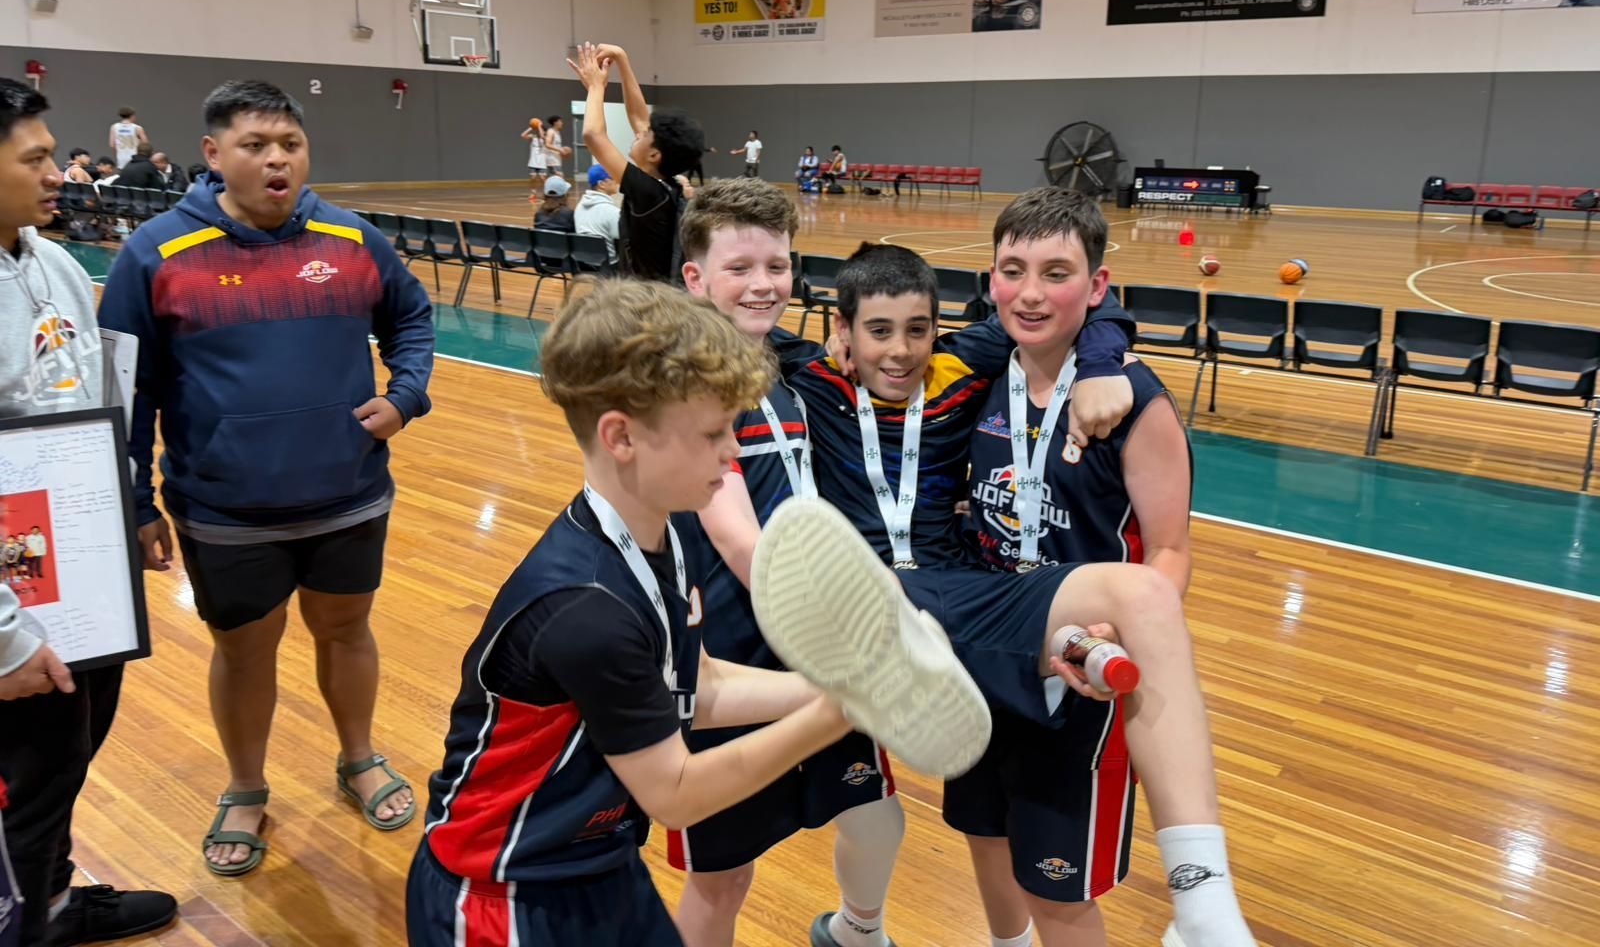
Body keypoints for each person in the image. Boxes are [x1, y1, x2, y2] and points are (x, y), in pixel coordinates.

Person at [406, 280, 984, 946]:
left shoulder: (668, 531)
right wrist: (844, 710)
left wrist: (849, 684)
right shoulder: (587, 611)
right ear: (621, 436)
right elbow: (676, 793)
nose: (733, 452)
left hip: (601, 862)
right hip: (503, 895)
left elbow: (697, 684)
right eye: (714, 434)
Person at [759, 244, 1258, 947]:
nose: (901, 351)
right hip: (866, 603)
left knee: (1142, 595)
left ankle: (1202, 895)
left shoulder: (963, 364)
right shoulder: (807, 374)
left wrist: (1109, 358)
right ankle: (1038, 659)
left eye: (918, 330)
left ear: (939, 327)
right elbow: (717, 310)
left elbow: (1074, 303)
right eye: (877, 331)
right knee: (938, 817)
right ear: (841, 333)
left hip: (963, 597)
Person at [98, 79, 435, 879]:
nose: (277, 160)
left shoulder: (352, 239)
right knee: (245, 653)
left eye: (289, 144)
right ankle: (246, 786)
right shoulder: (155, 252)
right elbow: (124, 386)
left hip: (349, 494)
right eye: (256, 146)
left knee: (347, 631)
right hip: (225, 510)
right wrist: (136, 500)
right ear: (215, 156)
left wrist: (405, 396)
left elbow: (412, 317)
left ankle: (357, 756)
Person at [950, 187, 1196, 947]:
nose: (1028, 293)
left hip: (1078, 676)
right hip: (984, 656)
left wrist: (1122, 630)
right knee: (986, 839)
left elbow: (1170, 551)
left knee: (1058, 889)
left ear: (1096, 286)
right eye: (1011, 269)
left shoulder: (1136, 402)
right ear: (989, 278)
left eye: (1055, 273)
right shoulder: (972, 381)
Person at [676, 181, 907, 947]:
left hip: (811, 632)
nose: (763, 283)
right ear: (695, 279)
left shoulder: (788, 367)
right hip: (736, 653)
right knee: (722, 876)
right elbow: (740, 541)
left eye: (776, 264)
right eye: (739, 267)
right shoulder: (690, 383)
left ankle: (856, 930)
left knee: (874, 812)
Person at [0, 77, 178, 946]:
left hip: (82, 573)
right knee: (22, 784)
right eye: (34, 158)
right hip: (12, 599)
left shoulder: (56, 262)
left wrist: (132, 507)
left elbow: (102, 397)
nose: (57, 172)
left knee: (67, 754)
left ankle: (57, 900)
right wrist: (5, 635)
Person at [567, 42, 705, 283]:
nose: (639, 132)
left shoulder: (648, 192)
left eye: (646, 134)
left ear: (654, 155)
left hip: (646, 301)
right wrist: (622, 58)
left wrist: (596, 88)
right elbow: (640, 117)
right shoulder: (662, 186)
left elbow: (593, 135)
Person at [575, 163, 622, 265]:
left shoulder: (579, 206)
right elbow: (622, 237)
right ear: (601, 184)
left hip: (583, 264)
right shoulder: (611, 211)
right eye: (612, 178)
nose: (617, 181)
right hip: (609, 266)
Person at [522, 116, 548, 182]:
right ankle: (533, 192)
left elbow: (542, 136)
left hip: (542, 161)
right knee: (533, 177)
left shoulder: (545, 138)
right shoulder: (533, 136)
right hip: (533, 161)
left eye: (541, 130)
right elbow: (523, 135)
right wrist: (532, 127)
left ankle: (546, 190)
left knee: (543, 178)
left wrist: (539, 126)